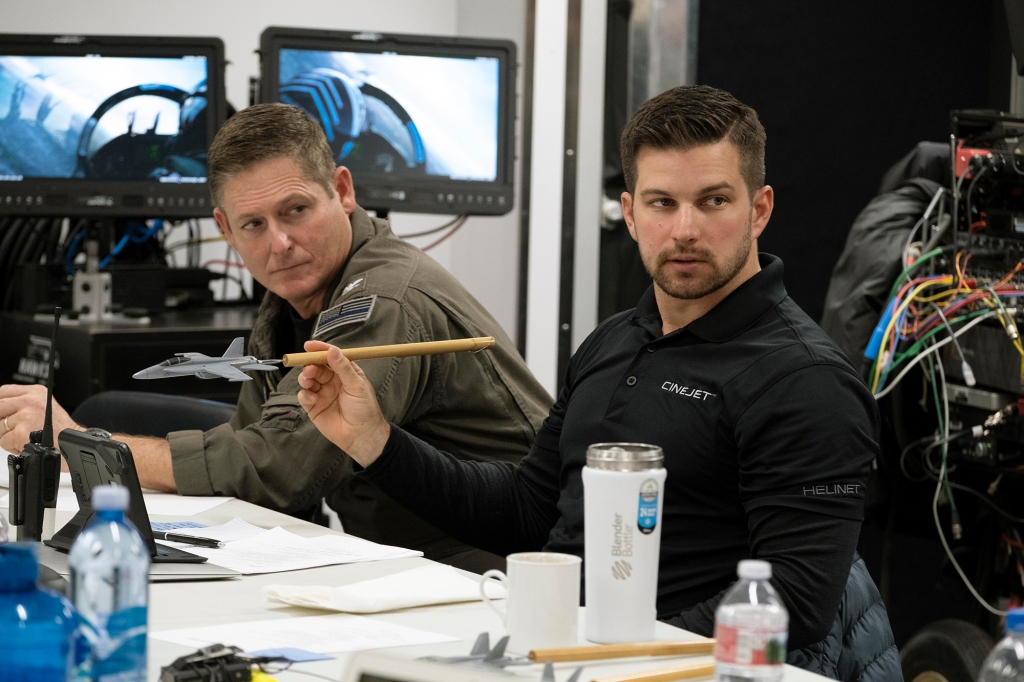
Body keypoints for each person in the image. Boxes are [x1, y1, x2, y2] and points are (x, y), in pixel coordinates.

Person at [294, 86, 896, 667]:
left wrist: (609, 651)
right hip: (574, 652)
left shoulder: (806, 381)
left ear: (758, 209)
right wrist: (375, 442)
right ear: (631, 215)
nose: (684, 228)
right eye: (662, 203)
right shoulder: (614, 340)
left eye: (713, 201)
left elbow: (794, 602)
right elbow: (529, 512)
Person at [0, 103, 552, 573]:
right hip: (398, 561)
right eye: (254, 225)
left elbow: (276, 469)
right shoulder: (299, 290)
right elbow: (258, 447)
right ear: (225, 227)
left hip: (493, 566)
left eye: (296, 210)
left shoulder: (380, 300)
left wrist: (81, 445)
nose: (280, 242)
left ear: (341, 190)